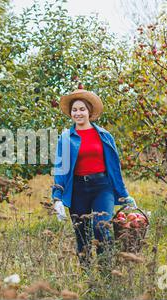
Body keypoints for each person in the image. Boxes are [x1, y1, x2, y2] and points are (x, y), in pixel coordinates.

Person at [51, 86, 137, 266]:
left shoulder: (104, 135)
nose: (78, 113)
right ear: (71, 113)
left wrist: (124, 194)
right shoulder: (66, 138)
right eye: (74, 110)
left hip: (102, 187)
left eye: (82, 109)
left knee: (101, 228)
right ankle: (88, 277)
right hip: (77, 190)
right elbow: (60, 168)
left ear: (89, 111)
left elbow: (114, 168)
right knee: (82, 234)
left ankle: (107, 274)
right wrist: (57, 197)